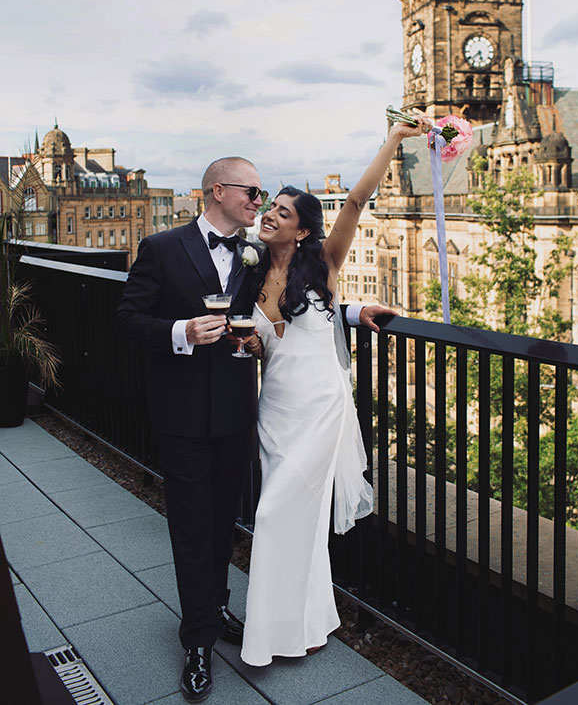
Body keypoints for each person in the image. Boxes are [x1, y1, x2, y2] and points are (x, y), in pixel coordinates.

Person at [114, 155, 395, 703]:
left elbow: (308, 302)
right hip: (200, 416)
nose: (261, 205)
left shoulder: (253, 260)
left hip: (251, 415)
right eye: (256, 194)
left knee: (229, 521)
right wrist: (181, 330)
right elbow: (127, 318)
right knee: (204, 526)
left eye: (274, 203)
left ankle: (231, 610)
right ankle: (197, 641)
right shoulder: (166, 248)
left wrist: (354, 309)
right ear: (218, 191)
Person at [239, 117, 430, 667]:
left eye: (282, 211)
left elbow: (355, 200)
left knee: (274, 515)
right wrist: (249, 345)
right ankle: (311, 623)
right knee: (297, 519)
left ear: (301, 230)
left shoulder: (321, 265)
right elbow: (262, 344)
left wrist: (393, 142)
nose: (270, 214)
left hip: (321, 410)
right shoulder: (248, 275)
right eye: (269, 207)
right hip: (274, 410)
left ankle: (265, 639)